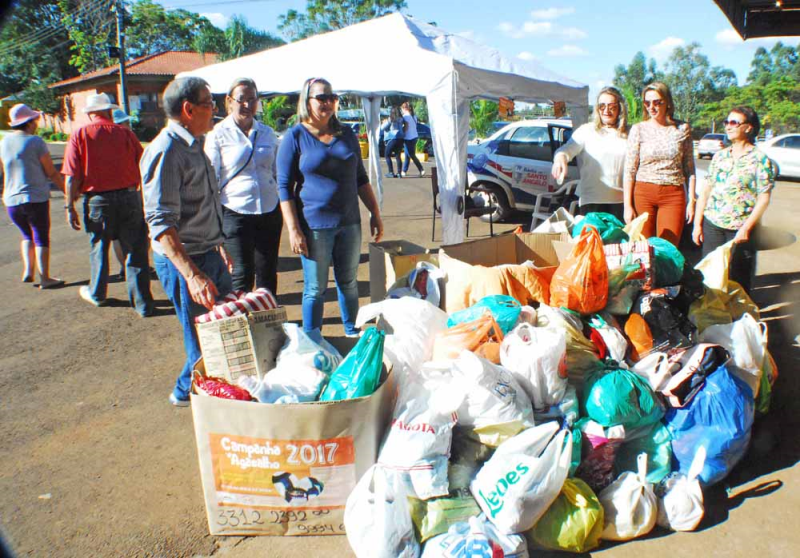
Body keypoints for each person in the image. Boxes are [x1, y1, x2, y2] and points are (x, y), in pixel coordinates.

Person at [141, 77, 232, 407]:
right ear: (188, 109)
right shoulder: (166, 151)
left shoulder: (194, 144)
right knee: (203, 341)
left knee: (218, 333)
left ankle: (194, 391)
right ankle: (190, 396)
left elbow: (202, 204)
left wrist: (218, 243)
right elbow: (162, 224)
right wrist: (191, 275)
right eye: (209, 103)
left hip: (207, 252)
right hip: (185, 262)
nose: (215, 110)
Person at [276, 77, 384, 339]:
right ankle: (312, 341)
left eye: (331, 98)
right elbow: (283, 187)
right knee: (315, 288)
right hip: (314, 227)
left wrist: (375, 213)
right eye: (320, 98)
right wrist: (293, 230)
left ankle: (352, 333)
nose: (327, 103)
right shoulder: (295, 137)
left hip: (349, 223)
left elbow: (360, 178)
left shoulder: (346, 134)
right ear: (307, 100)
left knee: (349, 284)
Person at [61, 93, 154, 316]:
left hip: (97, 201)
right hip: (130, 197)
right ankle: (142, 303)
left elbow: (71, 176)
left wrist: (69, 206)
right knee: (135, 250)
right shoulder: (125, 133)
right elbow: (145, 167)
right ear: (109, 111)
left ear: (91, 114)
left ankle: (98, 293)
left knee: (99, 248)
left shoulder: (79, 134)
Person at [205, 77, 283, 294]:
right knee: (241, 273)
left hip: (269, 210)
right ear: (229, 101)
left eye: (252, 99)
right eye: (241, 100)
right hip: (235, 212)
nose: (247, 105)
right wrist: (214, 223)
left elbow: (277, 172)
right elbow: (212, 179)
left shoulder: (267, 133)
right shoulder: (218, 135)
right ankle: (241, 323)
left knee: (267, 271)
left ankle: (268, 322)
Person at [692, 107, 775, 293]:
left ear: (749, 128)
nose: (728, 127)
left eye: (734, 122)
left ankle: (739, 318)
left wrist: (746, 228)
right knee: (710, 275)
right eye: (727, 122)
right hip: (713, 224)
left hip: (741, 230)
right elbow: (705, 191)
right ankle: (714, 317)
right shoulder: (720, 156)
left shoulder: (760, 160)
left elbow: (764, 198)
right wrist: (698, 224)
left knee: (738, 279)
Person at [0, 104, 65, 289]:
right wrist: (66, 191)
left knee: (26, 234)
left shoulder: (3, 143)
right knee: (40, 236)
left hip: (11, 200)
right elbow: (51, 172)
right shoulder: (35, 142)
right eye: (34, 120)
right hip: (35, 198)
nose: (36, 123)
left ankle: (28, 271)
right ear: (28, 123)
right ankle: (45, 277)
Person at [623, 82, 696, 246]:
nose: (652, 107)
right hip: (643, 193)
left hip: (673, 194)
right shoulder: (639, 129)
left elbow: (690, 169)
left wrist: (692, 200)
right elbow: (629, 170)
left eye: (657, 102)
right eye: (647, 103)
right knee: (643, 248)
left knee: (668, 248)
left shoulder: (682, 129)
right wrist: (627, 206)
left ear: (668, 102)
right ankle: (648, 274)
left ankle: (667, 273)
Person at [551, 86, 628, 219]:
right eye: (602, 106)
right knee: (592, 240)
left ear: (620, 108)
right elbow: (565, 150)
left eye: (612, 106)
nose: (606, 110)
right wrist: (560, 159)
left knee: (618, 240)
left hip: (621, 203)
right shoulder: (587, 130)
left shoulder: (629, 133)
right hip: (591, 201)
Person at [400, 101, 425, 178]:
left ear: (405, 108)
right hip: (414, 137)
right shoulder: (414, 116)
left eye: (402, 109)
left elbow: (405, 128)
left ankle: (421, 169)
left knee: (411, 155)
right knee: (407, 155)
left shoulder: (405, 117)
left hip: (408, 138)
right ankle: (404, 171)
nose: (402, 110)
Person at [381, 106, 405, 178]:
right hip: (400, 138)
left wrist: (384, 122)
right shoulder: (401, 119)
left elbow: (382, 128)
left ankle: (391, 172)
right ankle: (399, 173)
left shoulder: (390, 119)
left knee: (387, 154)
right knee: (398, 156)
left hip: (392, 138)